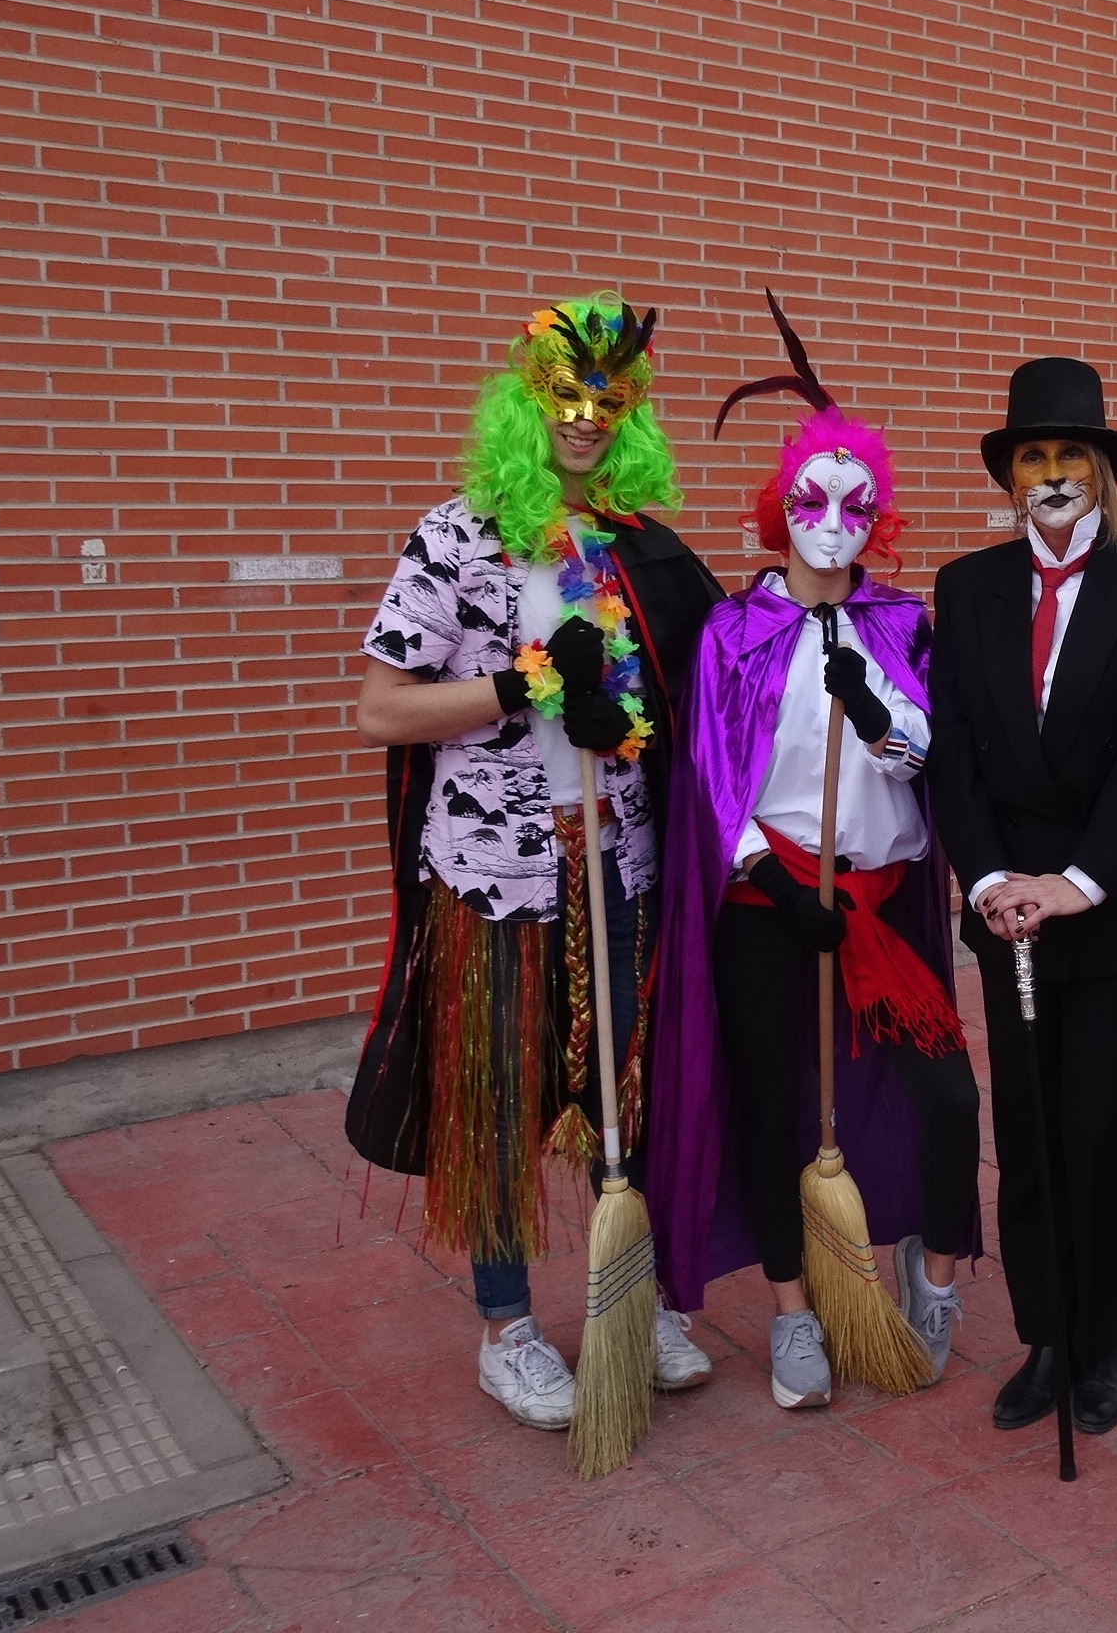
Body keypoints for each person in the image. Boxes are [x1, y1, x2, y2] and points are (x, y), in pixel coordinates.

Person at [348, 292, 724, 1429]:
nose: (586, 415)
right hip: (494, 869)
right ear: (526, 400)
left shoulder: (636, 542)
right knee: (501, 1098)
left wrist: (626, 724)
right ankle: (506, 1330)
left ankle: (638, 1298)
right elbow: (382, 710)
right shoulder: (458, 535)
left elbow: (708, 690)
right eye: (565, 393)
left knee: (632, 1091)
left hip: (622, 861)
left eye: (610, 398)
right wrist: (521, 684)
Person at [646, 299, 981, 1410]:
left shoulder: (901, 626)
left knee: (947, 1099)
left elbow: (928, 758)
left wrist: (876, 714)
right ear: (778, 508)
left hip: (879, 901)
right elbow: (708, 773)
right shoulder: (733, 633)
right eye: (811, 500)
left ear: (878, 517)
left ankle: (933, 1279)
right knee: (776, 1106)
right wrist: (773, 884)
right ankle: (792, 1312)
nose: (832, 522)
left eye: (855, 504)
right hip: (770, 903)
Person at [926, 359, 1117, 1437]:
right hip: (1010, 912)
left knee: (1098, 1131)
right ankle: (1045, 1335)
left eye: (1070, 455)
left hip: (1109, 904)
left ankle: (1102, 1338)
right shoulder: (968, 587)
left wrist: (1079, 882)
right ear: (1010, 476)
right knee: (1030, 1129)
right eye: (1032, 456)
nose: (1050, 473)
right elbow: (955, 751)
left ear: (1101, 470)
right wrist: (992, 879)